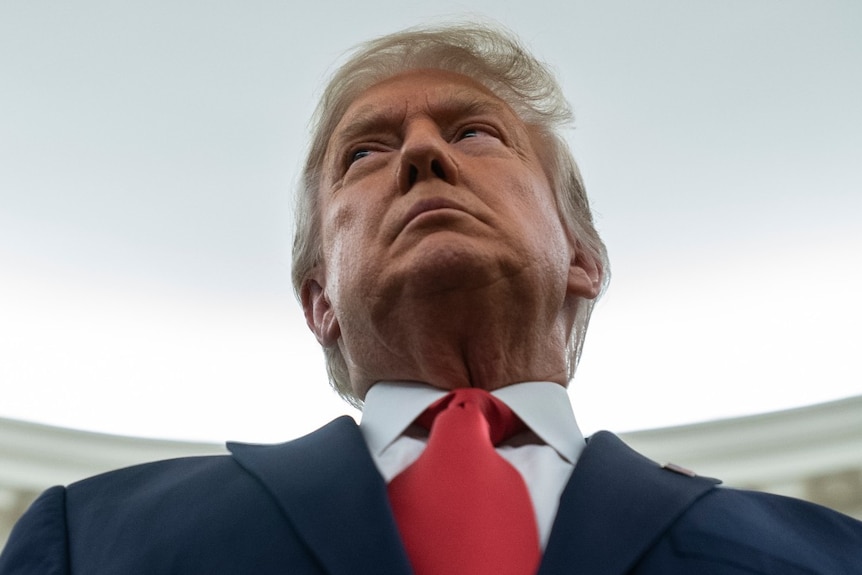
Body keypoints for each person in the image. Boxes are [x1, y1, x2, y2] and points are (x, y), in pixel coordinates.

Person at [2, 22, 861, 575]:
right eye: (365, 153)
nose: (421, 155)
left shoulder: (822, 553)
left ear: (582, 259)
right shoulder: (93, 538)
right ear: (319, 302)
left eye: (472, 132)